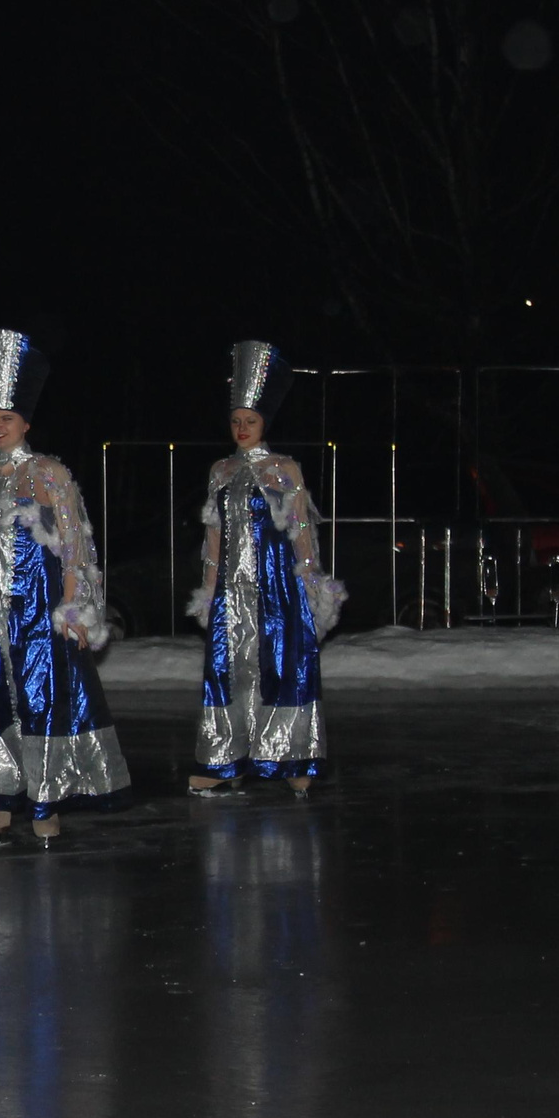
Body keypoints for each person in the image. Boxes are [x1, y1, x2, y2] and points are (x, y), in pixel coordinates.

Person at [0, 326, 129, 841]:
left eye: (6, 418)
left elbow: (75, 544)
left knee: (41, 695)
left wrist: (74, 608)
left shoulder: (49, 474)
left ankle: (46, 798)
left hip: (38, 605)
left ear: (25, 421)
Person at [188, 341, 343, 796]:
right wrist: (209, 589)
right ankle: (225, 759)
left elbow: (301, 531)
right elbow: (213, 536)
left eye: (250, 421)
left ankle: (291, 758)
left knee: (280, 664)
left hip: (276, 585)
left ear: (264, 423)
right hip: (231, 590)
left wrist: (311, 583)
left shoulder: (284, 469)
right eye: (236, 421)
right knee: (229, 669)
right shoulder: (220, 470)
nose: (241, 429)